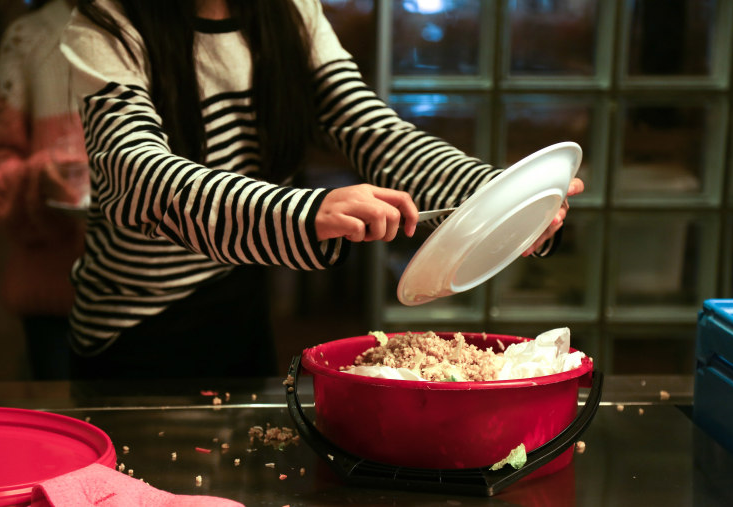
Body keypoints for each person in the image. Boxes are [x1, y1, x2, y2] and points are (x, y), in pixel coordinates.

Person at [59, 0, 583, 380]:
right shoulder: (105, 23)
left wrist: (499, 196)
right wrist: (304, 213)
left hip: (240, 295)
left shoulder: (290, 12)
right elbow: (134, 175)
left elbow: (370, 129)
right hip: (133, 323)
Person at [0, 0, 88, 380]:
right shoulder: (31, 37)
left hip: (162, 299)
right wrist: (39, 179)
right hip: (56, 296)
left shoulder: (158, 29)